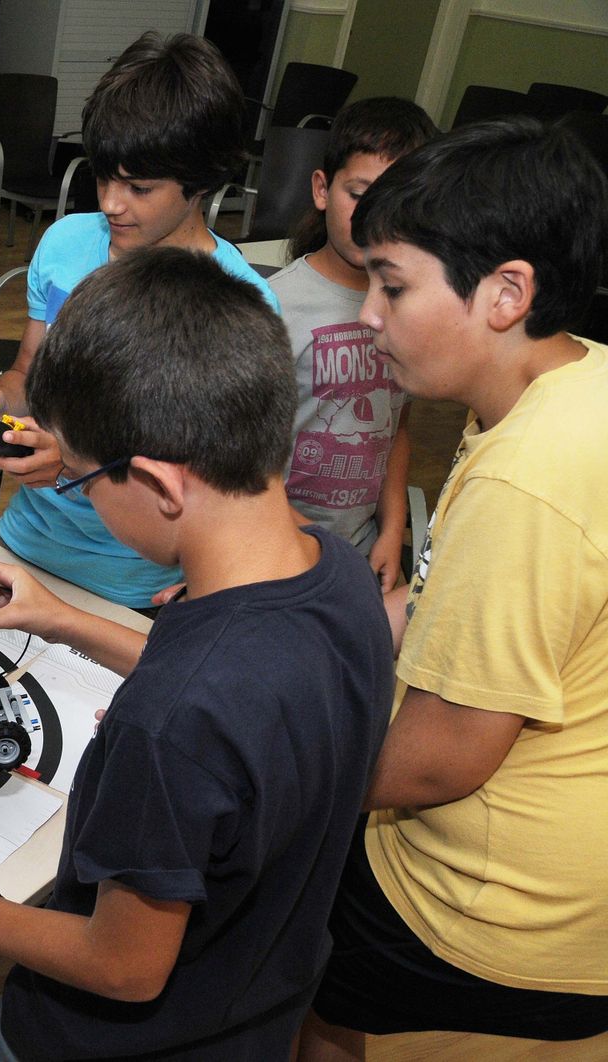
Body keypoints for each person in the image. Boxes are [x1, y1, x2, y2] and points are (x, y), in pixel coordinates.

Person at [0, 247, 394, 1060]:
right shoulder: (342, 577)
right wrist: (63, 621)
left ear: (155, 483)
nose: (82, 493)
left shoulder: (168, 724)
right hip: (252, 1014)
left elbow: (125, 966)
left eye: (81, 478)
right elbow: (244, 706)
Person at [298, 118, 608, 1058]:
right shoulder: (574, 379)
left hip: (491, 903)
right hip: (574, 877)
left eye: (393, 286)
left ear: (507, 292)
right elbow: (435, 598)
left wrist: (266, 777)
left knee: (310, 1004)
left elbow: (444, 758)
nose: (368, 316)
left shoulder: (526, 479)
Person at [0, 32, 275, 611]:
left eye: (140, 187)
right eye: (103, 178)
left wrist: (71, 461)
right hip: (28, 547)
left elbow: (220, 487)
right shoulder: (67, 243)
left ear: (200, 182)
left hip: (136, 583)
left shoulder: (239, 303)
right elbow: (28, 374)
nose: (113, 203)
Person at [272, 97, 438, 590]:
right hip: (276, 547)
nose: (374, 218)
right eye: (360, 194)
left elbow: (396, 428)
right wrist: (322, 555)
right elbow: (236, 461)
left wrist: (392, 531)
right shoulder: (274, 305)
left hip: (362, 549)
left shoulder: (412, 310)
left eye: (397, 201)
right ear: (322, 190)